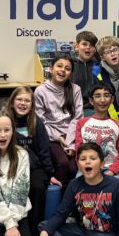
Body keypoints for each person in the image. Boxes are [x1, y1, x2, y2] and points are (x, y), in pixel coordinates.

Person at [39, 142, 119, 236]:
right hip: (81, 231)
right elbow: (61, 214)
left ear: (102, 164)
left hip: (106, 235)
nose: (87, 161)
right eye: (83, 159)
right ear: (78, 164)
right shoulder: (74, 184)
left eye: (93, 158)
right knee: (43, 226)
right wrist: (46, 231)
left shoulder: (116, 185)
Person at [7, 86, 59, 236]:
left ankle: (34, 234)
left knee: (37, 187)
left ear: (32, 104)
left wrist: (50, 174)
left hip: (34, 168)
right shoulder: (5, 120)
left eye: (27, 101)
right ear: (12, 102)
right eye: (19, 100)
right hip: (12, 168)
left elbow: (44, 151)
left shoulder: (37, 123)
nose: (23, 103)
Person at [34, 54, 83, 182]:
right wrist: (58, 137)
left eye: (67, 68)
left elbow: (77, 118)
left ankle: (71, 198)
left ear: (71, 73)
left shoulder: (75, 89)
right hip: (51, 137)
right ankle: (56, 197)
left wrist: (71, 144)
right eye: (59, 66)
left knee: (74, 168)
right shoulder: (40, 91)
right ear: (51, 69)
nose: (62, 70)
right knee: (63, 164)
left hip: (70, 137)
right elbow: (40, 121)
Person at [66, 83, 119, 176]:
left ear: (112, 100)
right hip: (87, 168)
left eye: (107, 96)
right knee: (78, 186)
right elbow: (79, 151)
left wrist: (111, 171)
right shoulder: (81, 123)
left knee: (117, 186)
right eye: (98, 96)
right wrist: (84, 168)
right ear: (91, 100)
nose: (102, 100)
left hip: (111, 169)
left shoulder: (118, 125)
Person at [72, 30, 99, 111]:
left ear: (95, 49)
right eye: (84, 44)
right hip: (74, 109)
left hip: (95, 108)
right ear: (76, 47)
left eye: (91, 45)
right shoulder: (70, 66)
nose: (88, 47)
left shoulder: (99, 66)